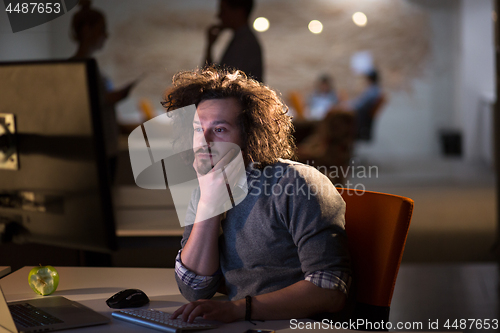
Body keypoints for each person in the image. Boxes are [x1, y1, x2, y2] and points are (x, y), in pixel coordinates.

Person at [161, 66, 351, 323]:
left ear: (250, 136)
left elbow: (329, 290)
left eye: (219, 130)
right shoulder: (206, 186)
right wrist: (208, 203)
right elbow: (194, 288)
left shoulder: (296, 184)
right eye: (197, 129)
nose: (203, 141)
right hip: (240, 323)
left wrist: (238, 309)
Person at [70, 0, 138, 183]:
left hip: (102, 147)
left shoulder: (88, 67)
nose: (105, 36)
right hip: (97, 149)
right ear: (86, 30)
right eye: (101, 30)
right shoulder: (79, 68)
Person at [204, 0, 264, 82]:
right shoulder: (243, 40)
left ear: (239, 12)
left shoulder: (244, 44)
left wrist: (209, 46)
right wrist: (210, 45)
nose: (218, 16)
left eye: (223, 11)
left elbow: (218, 81)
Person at [341, 69, 383, 141]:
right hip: (361, 115)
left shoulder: (372, 91)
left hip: (359, 116)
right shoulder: (375, 90)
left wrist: (348, 105)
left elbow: (360, 105)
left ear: (369, 79)